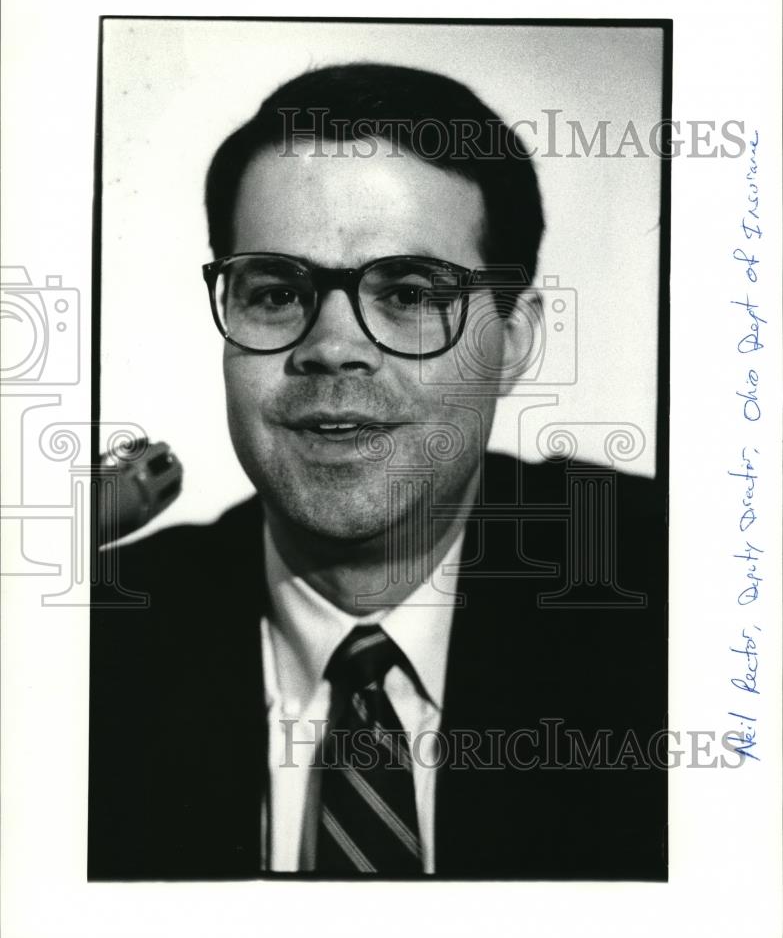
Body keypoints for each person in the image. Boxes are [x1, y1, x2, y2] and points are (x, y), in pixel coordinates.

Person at [89, 63, 667, 880]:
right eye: (275, 291)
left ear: (515, 339)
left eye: (406, 291)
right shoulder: (82, 647)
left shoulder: (685, 602)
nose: (331, 347)